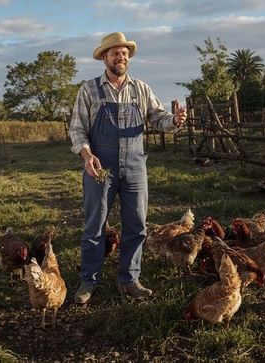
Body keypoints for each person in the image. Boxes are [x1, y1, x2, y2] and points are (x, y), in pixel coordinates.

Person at [69, 32, 187, 304]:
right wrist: (87, 156)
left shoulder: (141, 89)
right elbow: (77, 130)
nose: (120, 57)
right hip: (100, 167)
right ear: (104, 58)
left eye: (124, 53)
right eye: (114, 53)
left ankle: (129, 280)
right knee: (95, 226)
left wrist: (176, 120)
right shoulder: (89, 89)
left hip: (135, 166)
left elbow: (159, 119)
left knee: (136, 226)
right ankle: (88, 281)